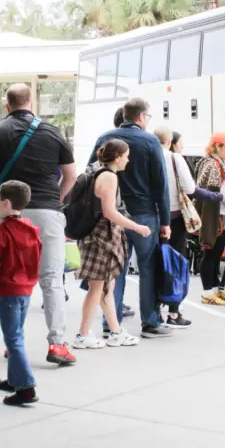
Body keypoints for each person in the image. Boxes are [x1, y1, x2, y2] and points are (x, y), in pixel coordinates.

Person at [0, 84, 78, 366]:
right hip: (48, 211)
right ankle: (57, 344)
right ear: (32, 103)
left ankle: (14, 344)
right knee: (51, 279)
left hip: (9, 214)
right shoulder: (53, 132)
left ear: (7, 106)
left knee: (12, 278)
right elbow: (70, 176)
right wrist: (57, 198)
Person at [89, 98, 172, 339]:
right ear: (141, 117)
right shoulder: (150, 141)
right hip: (144, 213)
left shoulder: (105, 137)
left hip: (111, 214)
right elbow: (160, 183)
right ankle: (150, 321)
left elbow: (90, 173)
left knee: (115, 270)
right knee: (147, 267)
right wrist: (165, 220)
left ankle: (110, 322)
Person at [74, 139, 147, 349]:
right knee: (97, 288)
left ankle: (115, 331)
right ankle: (83, 335)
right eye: (126, 155)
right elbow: (109, 212)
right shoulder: (108, 176)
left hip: (99, 234)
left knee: (106, 286)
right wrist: (136, 226)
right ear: (117, 157)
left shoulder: (99, 170)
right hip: (101, 236)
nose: (128, 159)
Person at [154, 128, 222, 328]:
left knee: (155, 264)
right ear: (170, 142)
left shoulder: (147, 156)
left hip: (151, 217)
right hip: (174, 218)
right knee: (175, 264)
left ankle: (153, 310)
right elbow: (191, 189)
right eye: (181, 141)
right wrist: (216, 196)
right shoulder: (175, 159)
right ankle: (174, 313)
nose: (183, 145)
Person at [0, 180, 42, 406]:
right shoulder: (31, 229)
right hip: (26, 287)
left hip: (8, 288)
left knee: (12, 337)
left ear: (6, 203)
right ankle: (14, 378)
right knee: (17, 333)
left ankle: (26, 387)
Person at [195, 133, 225, 305]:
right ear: (217, 146)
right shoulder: (211, 164)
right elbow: (214, 194)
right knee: (209, 252)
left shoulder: (223, 164)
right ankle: (207, 292)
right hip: (213, 214)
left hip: (223, 213)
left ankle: (215, 289)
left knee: (217, 253)